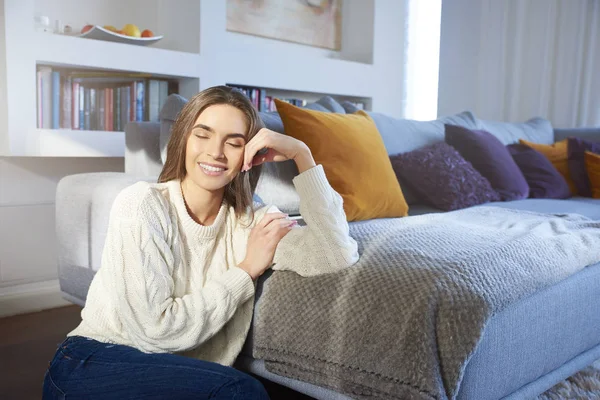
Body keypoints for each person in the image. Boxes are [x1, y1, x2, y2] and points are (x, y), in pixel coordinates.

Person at [42, 85, 359, 399]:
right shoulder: (142, 204)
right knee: (239, 389)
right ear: (183, 140)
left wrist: (301, 155)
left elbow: (334, 253)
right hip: (92, 364)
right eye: (203, 135)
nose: (215, 153)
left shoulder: (251, 221)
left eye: (233, 143)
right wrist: (246, 270)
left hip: (177, 380)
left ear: (248, 155)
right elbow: (155, 331)